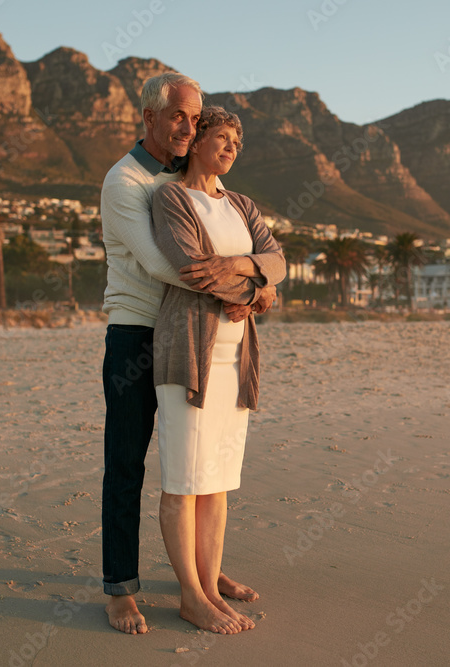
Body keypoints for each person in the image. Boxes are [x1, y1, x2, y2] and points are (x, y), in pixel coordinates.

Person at [100, 74, 273, 635]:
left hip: (196, 332)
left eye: (195, 117)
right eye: (178, 115)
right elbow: (168, 266)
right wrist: (254, 290)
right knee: (128, 465)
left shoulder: (188, 180)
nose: (188, 126)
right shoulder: (127, 181)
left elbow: (249, 245)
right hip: (137, 333)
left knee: (206, 466)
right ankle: (121, 590)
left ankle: (205, 573)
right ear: (148, 116)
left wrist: (260, 281)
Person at [150, 106, 286, 634]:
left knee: (217, 483)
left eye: (237, 142)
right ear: (197, 139)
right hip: (187, 352)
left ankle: (209, 585)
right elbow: (190, 268)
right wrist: (258, 293)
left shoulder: (242, 204)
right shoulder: (171, 198)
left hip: (237, 359)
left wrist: (244, 271)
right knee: (184, 479)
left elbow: (277, 259)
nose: (231, 148)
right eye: (222, 137)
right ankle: (190, 595)